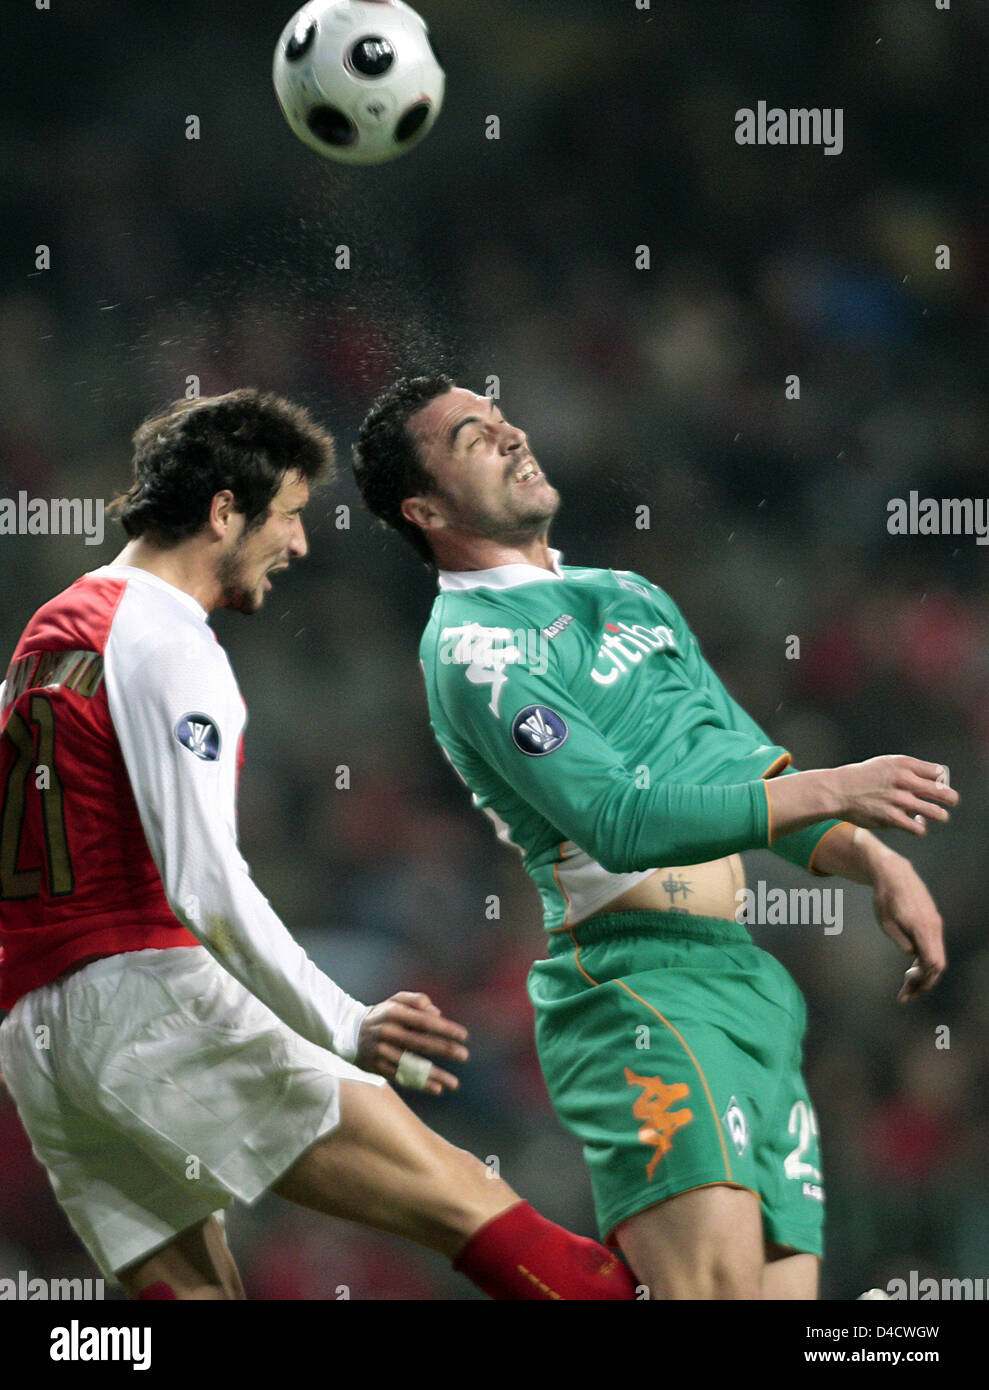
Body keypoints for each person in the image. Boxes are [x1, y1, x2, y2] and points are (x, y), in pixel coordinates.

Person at [0, 388, 641, 1301]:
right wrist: (347, 1022)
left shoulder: (50, 630)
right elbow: (205, 886)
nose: (298, 545)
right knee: (465, 1200)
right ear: (224, 510)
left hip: (39, 1038)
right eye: (290, 517)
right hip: (144, 999)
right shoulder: (163, 638)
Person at [352, 374, 956, 1301]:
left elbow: (746, 768)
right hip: (633, 987)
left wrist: (870, 858)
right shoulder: (477, 645)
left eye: (504, 416)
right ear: (423, 507)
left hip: (747, 988)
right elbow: (619, 821)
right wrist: (839, 785)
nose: (512, 433)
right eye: (474, 435)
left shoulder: (629, 594)